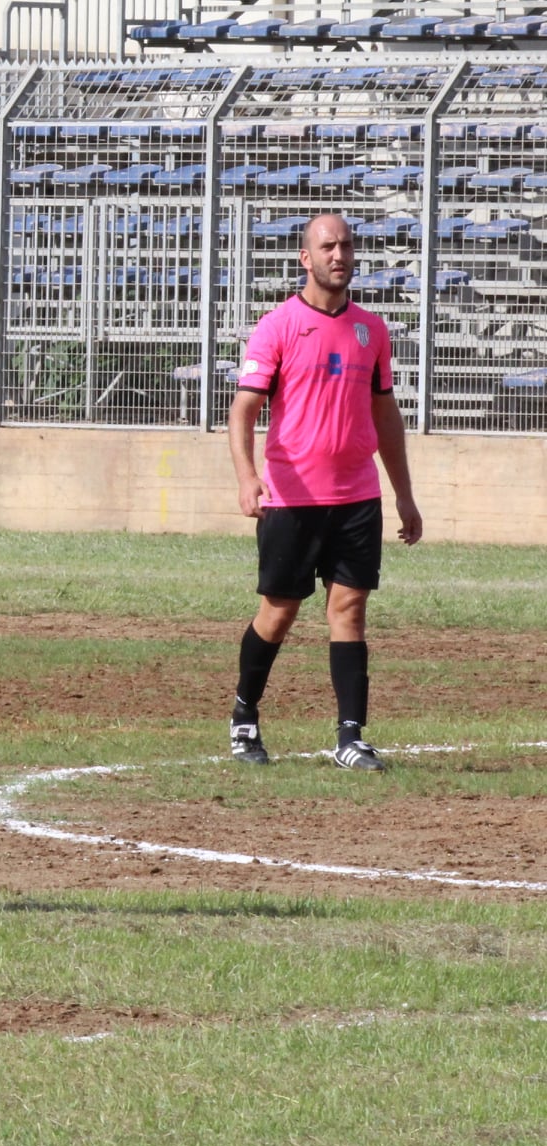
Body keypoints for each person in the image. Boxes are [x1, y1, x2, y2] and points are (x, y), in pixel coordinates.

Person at [227, 212, 423, 771]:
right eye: (328, 247)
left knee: (351, 609)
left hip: (357, 495)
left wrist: (403, 495)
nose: (340, 255)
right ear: (305, 259)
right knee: (279, 611)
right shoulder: (277, 327)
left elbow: (385, 416)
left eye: (347, 246)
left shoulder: (372, 331)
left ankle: (350, 736)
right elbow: (243, 411)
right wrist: (247, 478)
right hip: (292, 498)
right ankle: (244, 716)